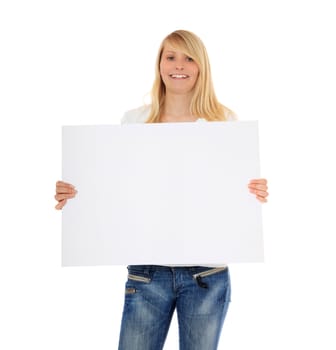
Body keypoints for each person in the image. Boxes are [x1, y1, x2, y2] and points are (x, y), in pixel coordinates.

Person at [55, 30, 269, 350]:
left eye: (188, 58)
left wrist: (254, 192)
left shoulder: (224, 122)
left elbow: (230, 194)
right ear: (159, 64)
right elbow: (117, 188)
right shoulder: (134, 121)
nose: (178, 65)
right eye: (170, 57)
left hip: (207, 274)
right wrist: (77, 192)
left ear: (201, 66)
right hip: (147, 273)